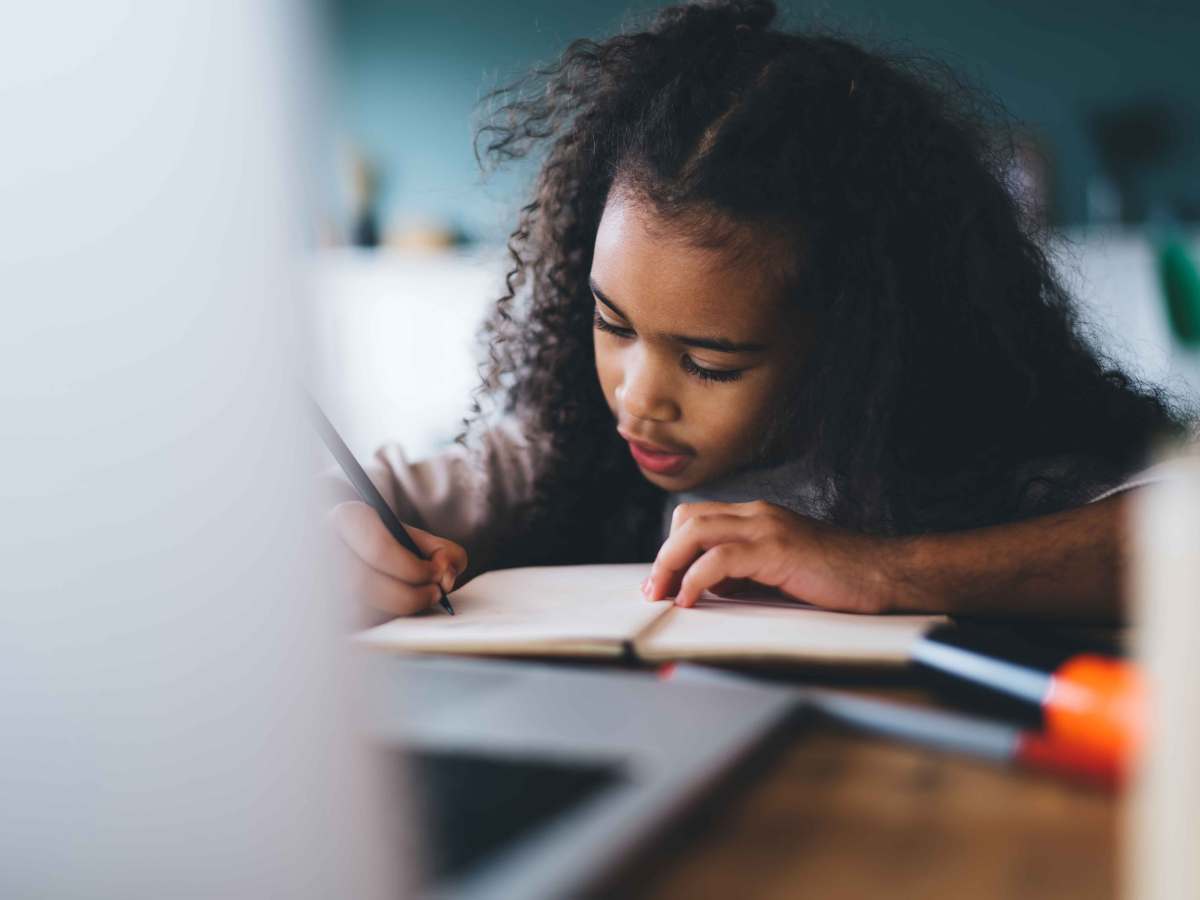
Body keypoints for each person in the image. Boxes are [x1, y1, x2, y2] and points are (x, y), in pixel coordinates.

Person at [328, 0, 1189, 624]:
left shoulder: (969, 455)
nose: (637, 398)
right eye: (612, 323)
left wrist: (885, 571)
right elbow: (324, 503)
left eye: (710, 363)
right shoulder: (560, 453)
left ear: (857, 343)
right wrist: (336, 539)